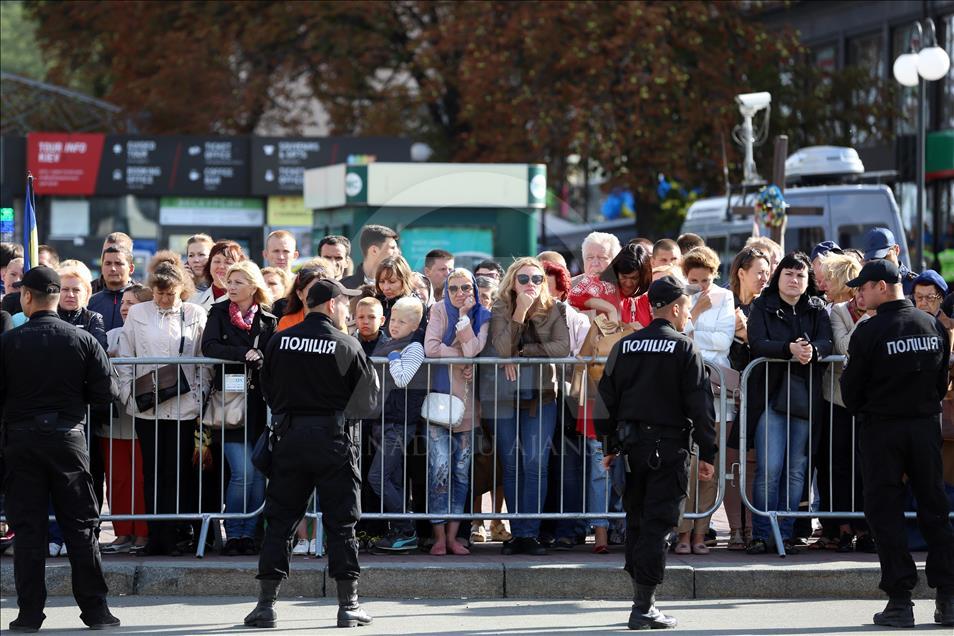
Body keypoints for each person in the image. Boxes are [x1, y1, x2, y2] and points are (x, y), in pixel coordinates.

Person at [246, 279, 375, 629]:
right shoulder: (346, 343)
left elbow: (267, 390)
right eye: (345, 304)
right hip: (334, 441)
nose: (347, 310)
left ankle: (265, 606)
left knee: (281, 522)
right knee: (341, 523)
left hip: (289, 439)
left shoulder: (280, 340)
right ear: (332, 305)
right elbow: (366, 402)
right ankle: (348, 606)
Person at [0, 266, 121, 631]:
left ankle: (29, 614)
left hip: (21, 440)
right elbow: (107, 395)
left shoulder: (8, 342)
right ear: (57, 297)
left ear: (26, 298)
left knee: (29, 531)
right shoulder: (84, 341)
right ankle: (96, 611)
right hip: (69, 438)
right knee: (81, 527)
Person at [596, 275, 717, 630]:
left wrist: (609, 446)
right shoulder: (684, 348)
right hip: (669, 448)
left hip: (632, 449)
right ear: (676, 308)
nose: (688, 313)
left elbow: (605, 398)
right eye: (686, 307)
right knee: (658, 525)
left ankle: (641, 599)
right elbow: (701, 406)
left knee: (636, 522)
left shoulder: (625, 346)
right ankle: (644, 607)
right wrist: (708, 452)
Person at [841, 259, 954, 628]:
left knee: (885, 514)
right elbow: (940, 384)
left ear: (882, 286)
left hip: (882, 431)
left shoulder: (869, 331)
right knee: (935, 510)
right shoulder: (933, 325)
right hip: (923, 427)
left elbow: (851, 391)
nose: (859, 293)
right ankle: (948, 600)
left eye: (864, 286)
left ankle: (900, 601)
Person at [117, 261, 208, 556]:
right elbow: (125, 353)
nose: (163, 299)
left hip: (184, 406)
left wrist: (201, 397)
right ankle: (155, 534)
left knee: (177, 472)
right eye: (158, 293)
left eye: (169, 294)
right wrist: (128, 395)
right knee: (152, 470)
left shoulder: (195, 313)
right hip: (147, 406)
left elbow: (203, 360)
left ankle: (172, 535)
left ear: (182, 289)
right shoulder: (139, 313)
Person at [744, 252, 833, 555]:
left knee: (797, 469)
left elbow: (827, 342)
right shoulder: (761, 305)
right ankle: (761, 534)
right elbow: (757, 343)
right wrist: (789, 349)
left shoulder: (817, 308)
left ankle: (785, 534)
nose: (794, 280)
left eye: (800, 276)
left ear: (808, 281)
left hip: (805, 400)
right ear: (777, 276)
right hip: (771, 397)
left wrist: (813, 352)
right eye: (788, 274)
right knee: (769, 468)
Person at [490, 257, 571, 555]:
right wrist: (520, 313)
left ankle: (530, 533)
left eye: (537, 279)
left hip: (542, 397)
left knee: (535, 464)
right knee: (511, 466)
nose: (531, 285)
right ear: (512, 281)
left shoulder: (556, 308)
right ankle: (517, 531)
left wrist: (523, 351)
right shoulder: (500, 307)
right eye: (524, 279)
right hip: (505, 398)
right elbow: (500, 348)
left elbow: (563, 348)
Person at [201, 261, 277, 556]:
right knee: (242, 472)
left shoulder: (269, 319)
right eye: (229, 281)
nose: (230, 287)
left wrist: (261, 356)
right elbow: (209, 347)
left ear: (253, 286)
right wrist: (243, 354)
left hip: (260, 405)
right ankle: (234, 533)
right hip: (229, 405)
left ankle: (250, 534)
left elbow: (272, 355)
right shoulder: (218, 313)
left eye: (238, 282)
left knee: (258, 473)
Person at [423, 269, 491, 555]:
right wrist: (463, 354)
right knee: (439, 471)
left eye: (465, 287)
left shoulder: (482, 314)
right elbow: (430, 348)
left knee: (461, 473)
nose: (460, 292)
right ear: (445, 290)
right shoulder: (438, 310)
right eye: (453, 288)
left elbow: (476, 347)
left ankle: (453, 537)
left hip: (467, 407)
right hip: (439, 405)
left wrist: (464, 318)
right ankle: (439, 536)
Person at [814, 253, 874, 553]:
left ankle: (865, 526)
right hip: (835, 398)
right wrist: (866, 320)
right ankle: (843, 527)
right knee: (837, 466)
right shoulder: (836, 311)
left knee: (864, 466)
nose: (823, 284)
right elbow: (845, 347)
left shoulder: (875, 311)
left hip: (866, 401)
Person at [676, 246, 734, 556]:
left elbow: (723, 341)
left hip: (718, 393)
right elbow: (680, 338)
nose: (701, 286)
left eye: (706, 279)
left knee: (710, 466)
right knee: (689, 466)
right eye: (694, 280)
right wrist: (695, 315)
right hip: (688, 394)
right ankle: (683, 533)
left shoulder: (726, 297)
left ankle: (701, 534)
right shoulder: (682, 298)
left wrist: (695, 333)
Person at [367, 296, 428, 552]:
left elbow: (403, 378)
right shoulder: (390, 343)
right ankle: (399, 531)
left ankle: (406, 527)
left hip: (400, 423)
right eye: (393, 319)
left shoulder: (413, 347)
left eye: (402, 322)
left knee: (377, 477)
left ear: (414, 326)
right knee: (393, 478)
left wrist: (392, 357)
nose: (395, 325)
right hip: (383, 421)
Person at [724, 246, 772, 550]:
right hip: (727, 394)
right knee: (731, 465)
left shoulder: (767, 306)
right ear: (742, 272)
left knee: (753, 463)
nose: (765, 278)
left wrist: (748, 337)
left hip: (758, 393)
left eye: (768, 272)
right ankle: (735, 529)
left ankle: (753, 527)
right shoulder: (722, 302)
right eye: (759, 272)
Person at [100, 283, 152, 555]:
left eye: (131, 303)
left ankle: (143, 532)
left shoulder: (151, 334)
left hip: (145, 415)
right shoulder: (111, 335)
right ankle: (122, 532)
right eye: (123, 303)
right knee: (118, 478)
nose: (124, 308)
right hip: (116, 418)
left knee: (141, 478)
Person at [57, 260, 108, 350]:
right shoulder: (48, 317)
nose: (70, 295)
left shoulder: (93, 319)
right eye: (65, 289)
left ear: (87, 293)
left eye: (76, 290)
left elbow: (99, 351)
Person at [276, 258, 335, 331]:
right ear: (300, 294)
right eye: (314, 289)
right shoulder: (288, 322)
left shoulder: (338, 320)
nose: (320, 293)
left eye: (325, 288)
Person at [89, 245, 136, 333]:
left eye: (118, 264)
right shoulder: (90, 303)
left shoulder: (143, 301)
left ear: (131, 268)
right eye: (108, 263)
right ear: (102, 267)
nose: (113, 269)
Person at [190, 240, 247, 312]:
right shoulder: (192, 301)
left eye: (228, 262)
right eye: (217, 261)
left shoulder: (246, 302)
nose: (221, 266)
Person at [341, 225, 399, 290]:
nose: (398, 252)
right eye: (392, 248)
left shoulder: (402, 284)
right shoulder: (343, 287)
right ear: (374, 250)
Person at [862, 227, 918, 295]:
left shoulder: (916, 285)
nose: (880, 263)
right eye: (873, 259)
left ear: (896, 250)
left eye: (884, 256)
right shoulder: (867, 286)